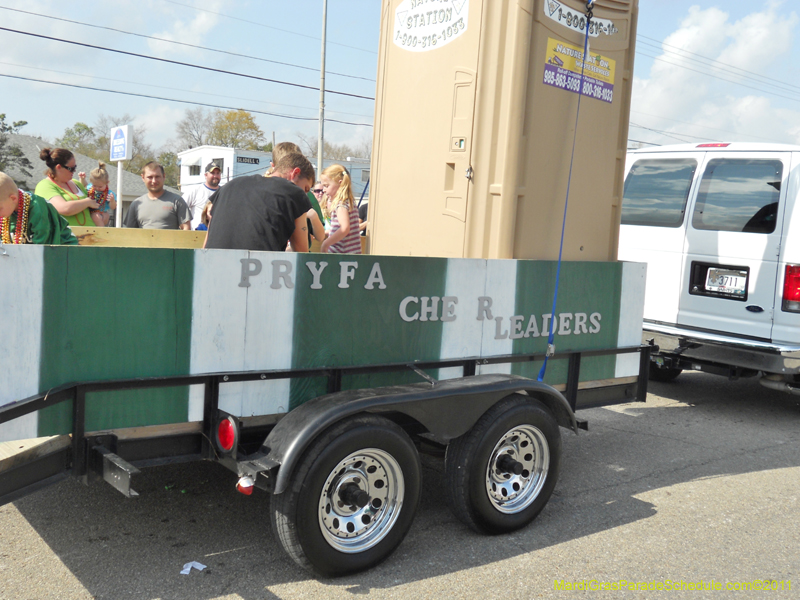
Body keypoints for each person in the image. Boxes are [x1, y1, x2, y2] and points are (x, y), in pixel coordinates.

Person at [205, 153, 314, 252]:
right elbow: (301, 253)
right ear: (295, 173)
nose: (305, 195)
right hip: (257, 268)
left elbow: (206, 241)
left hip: (212, 265)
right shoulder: (294, 192)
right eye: (306, 188)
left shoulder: (228, 186)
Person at [0, 172, 77, 245]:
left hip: (64, 252)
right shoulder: (9, 210)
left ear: (13, 199)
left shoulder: (38, 209)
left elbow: (42, 246)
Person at [34, 148, 99, 227]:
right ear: (59, 167)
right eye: (71, 168)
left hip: (92, 236)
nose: (74, 171)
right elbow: (64, 208)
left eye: (75, 167)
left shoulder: (77, 183)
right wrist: (87, 202)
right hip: (65, 237)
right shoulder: (45, 185)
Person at [123, 162, 191, 230]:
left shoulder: (177, 201)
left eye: (157, 177)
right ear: (143, 177)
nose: (154, 181)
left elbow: (186, 228)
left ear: (164, 176)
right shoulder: (136, 204)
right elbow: (130, 232)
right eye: (150, 177)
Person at [320, 164, 361, 254]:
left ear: (340, 183)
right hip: (352, 253)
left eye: (326, 186)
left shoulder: (341, 204)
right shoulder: (349, 202)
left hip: (340, 254)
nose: (323, 190)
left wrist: (326, 243)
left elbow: (345, 228)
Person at [183, 162, 221, 229]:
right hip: (197, 234)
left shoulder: (224, 192)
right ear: (206, 175)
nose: (215, 176)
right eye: (212, 173)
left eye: (218, 173)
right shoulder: (195, 190)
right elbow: (180, 208)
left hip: (217, 234)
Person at [80, 162, 117, 227]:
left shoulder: (109, 193)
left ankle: (102, 231)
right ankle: (102, 231)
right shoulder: (90, 188)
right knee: (95, 216)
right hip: (92, 212)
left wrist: (112, 201)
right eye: (94, 185)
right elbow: (84, 185)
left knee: (105, 215)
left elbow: (113, 207)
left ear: (107, 183)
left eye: (100, 187)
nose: (97, 188)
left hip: (103, 212)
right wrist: (82, 179)